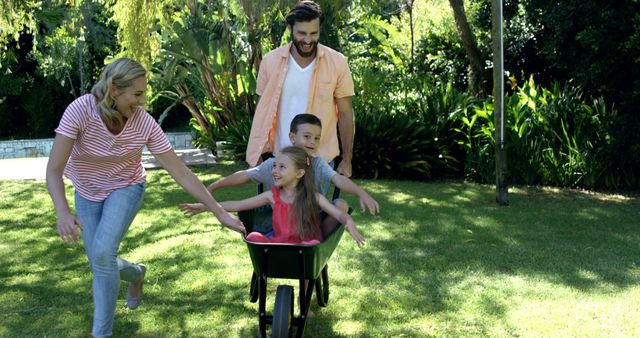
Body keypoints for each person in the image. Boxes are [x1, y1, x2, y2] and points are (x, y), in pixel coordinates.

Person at [45, 58, 245, 338]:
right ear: (114, 90)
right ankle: (136, 274)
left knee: (102, 255)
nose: (142, 101)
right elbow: (54, 169)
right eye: (137, 94)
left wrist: (219, 212)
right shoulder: (81, 111)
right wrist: (63, 212)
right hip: (87, 192)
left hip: (126, 187)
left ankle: (101, 333)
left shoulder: (143, 123)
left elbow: (182, 172)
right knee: (99, 261)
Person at [181, 114, 379, 237]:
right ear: (293, 137)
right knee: (258, 237)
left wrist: (360, 194)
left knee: (341, 205)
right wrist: (208, 200)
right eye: (307, 136)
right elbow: (243, 181)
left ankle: (318, 245)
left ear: (300, 173)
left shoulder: (317, 165)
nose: (312, 142)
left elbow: (338, 179)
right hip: (282, 228)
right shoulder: (276, 164)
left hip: (311, 223)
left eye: (316, 138)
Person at [246, 0, 356, 177]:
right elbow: (262, 111)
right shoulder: (270, 61)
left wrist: (347, 159)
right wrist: (256, 152)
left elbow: (345, 113)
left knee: (314, 206)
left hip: (320, 161)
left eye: (314, 33)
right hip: (280, 160)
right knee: (278, 206)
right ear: (290, 28)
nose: (307, 40)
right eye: (302, 33)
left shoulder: (337, 62)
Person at [219, 146, 365, 246]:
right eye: (275, 166)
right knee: (253, 237)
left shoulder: (313, 197)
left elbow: (339, 215)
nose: (275, 171)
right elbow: (239, 204)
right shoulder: (272, 196)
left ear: (299, 173)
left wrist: (348, 220)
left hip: (306, 245)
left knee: (311, 248)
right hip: (279, 243)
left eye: (282, 167)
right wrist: (206, 206)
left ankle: (305, 288)